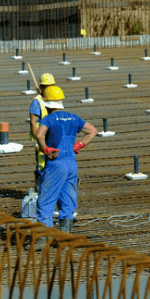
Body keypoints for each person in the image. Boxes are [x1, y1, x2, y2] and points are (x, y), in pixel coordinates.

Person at [34, 86, 97, 233]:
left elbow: (39, 134)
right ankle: (64, 237)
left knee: (45, 203)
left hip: (56, 164)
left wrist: (46, 149)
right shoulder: (73, 117)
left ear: (46, 104)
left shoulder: (48, 118)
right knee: (67, 203)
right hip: (71, 164)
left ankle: (44, 238)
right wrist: (79, 145)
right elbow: (93, 131)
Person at [29, 73, 55, 192]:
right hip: (41, 138)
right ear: (41, 87)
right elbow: (33, 122)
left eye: (51, 86)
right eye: (46, 86)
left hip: (52, 137)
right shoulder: (37, 102)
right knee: (41, 166)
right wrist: (37, 140)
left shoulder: (53, 97)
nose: (49, 88)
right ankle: (40, 192)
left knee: (51, 165)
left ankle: (50, 190)